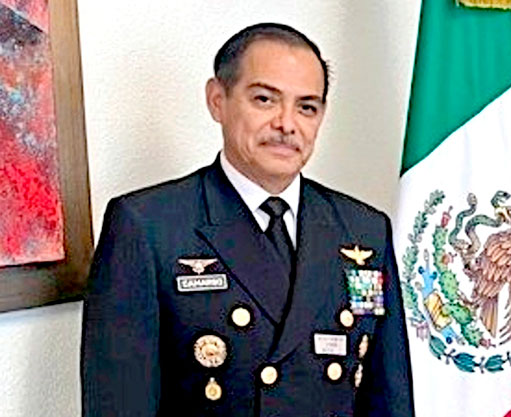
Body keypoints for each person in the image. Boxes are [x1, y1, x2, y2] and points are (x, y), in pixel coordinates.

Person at [82, 22, 414, 417]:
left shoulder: (363, 230)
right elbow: (119, 402)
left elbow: (388, 399)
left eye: (307, 107)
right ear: (217, 100)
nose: (287, 124)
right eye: (264, 100)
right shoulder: (148, 226)